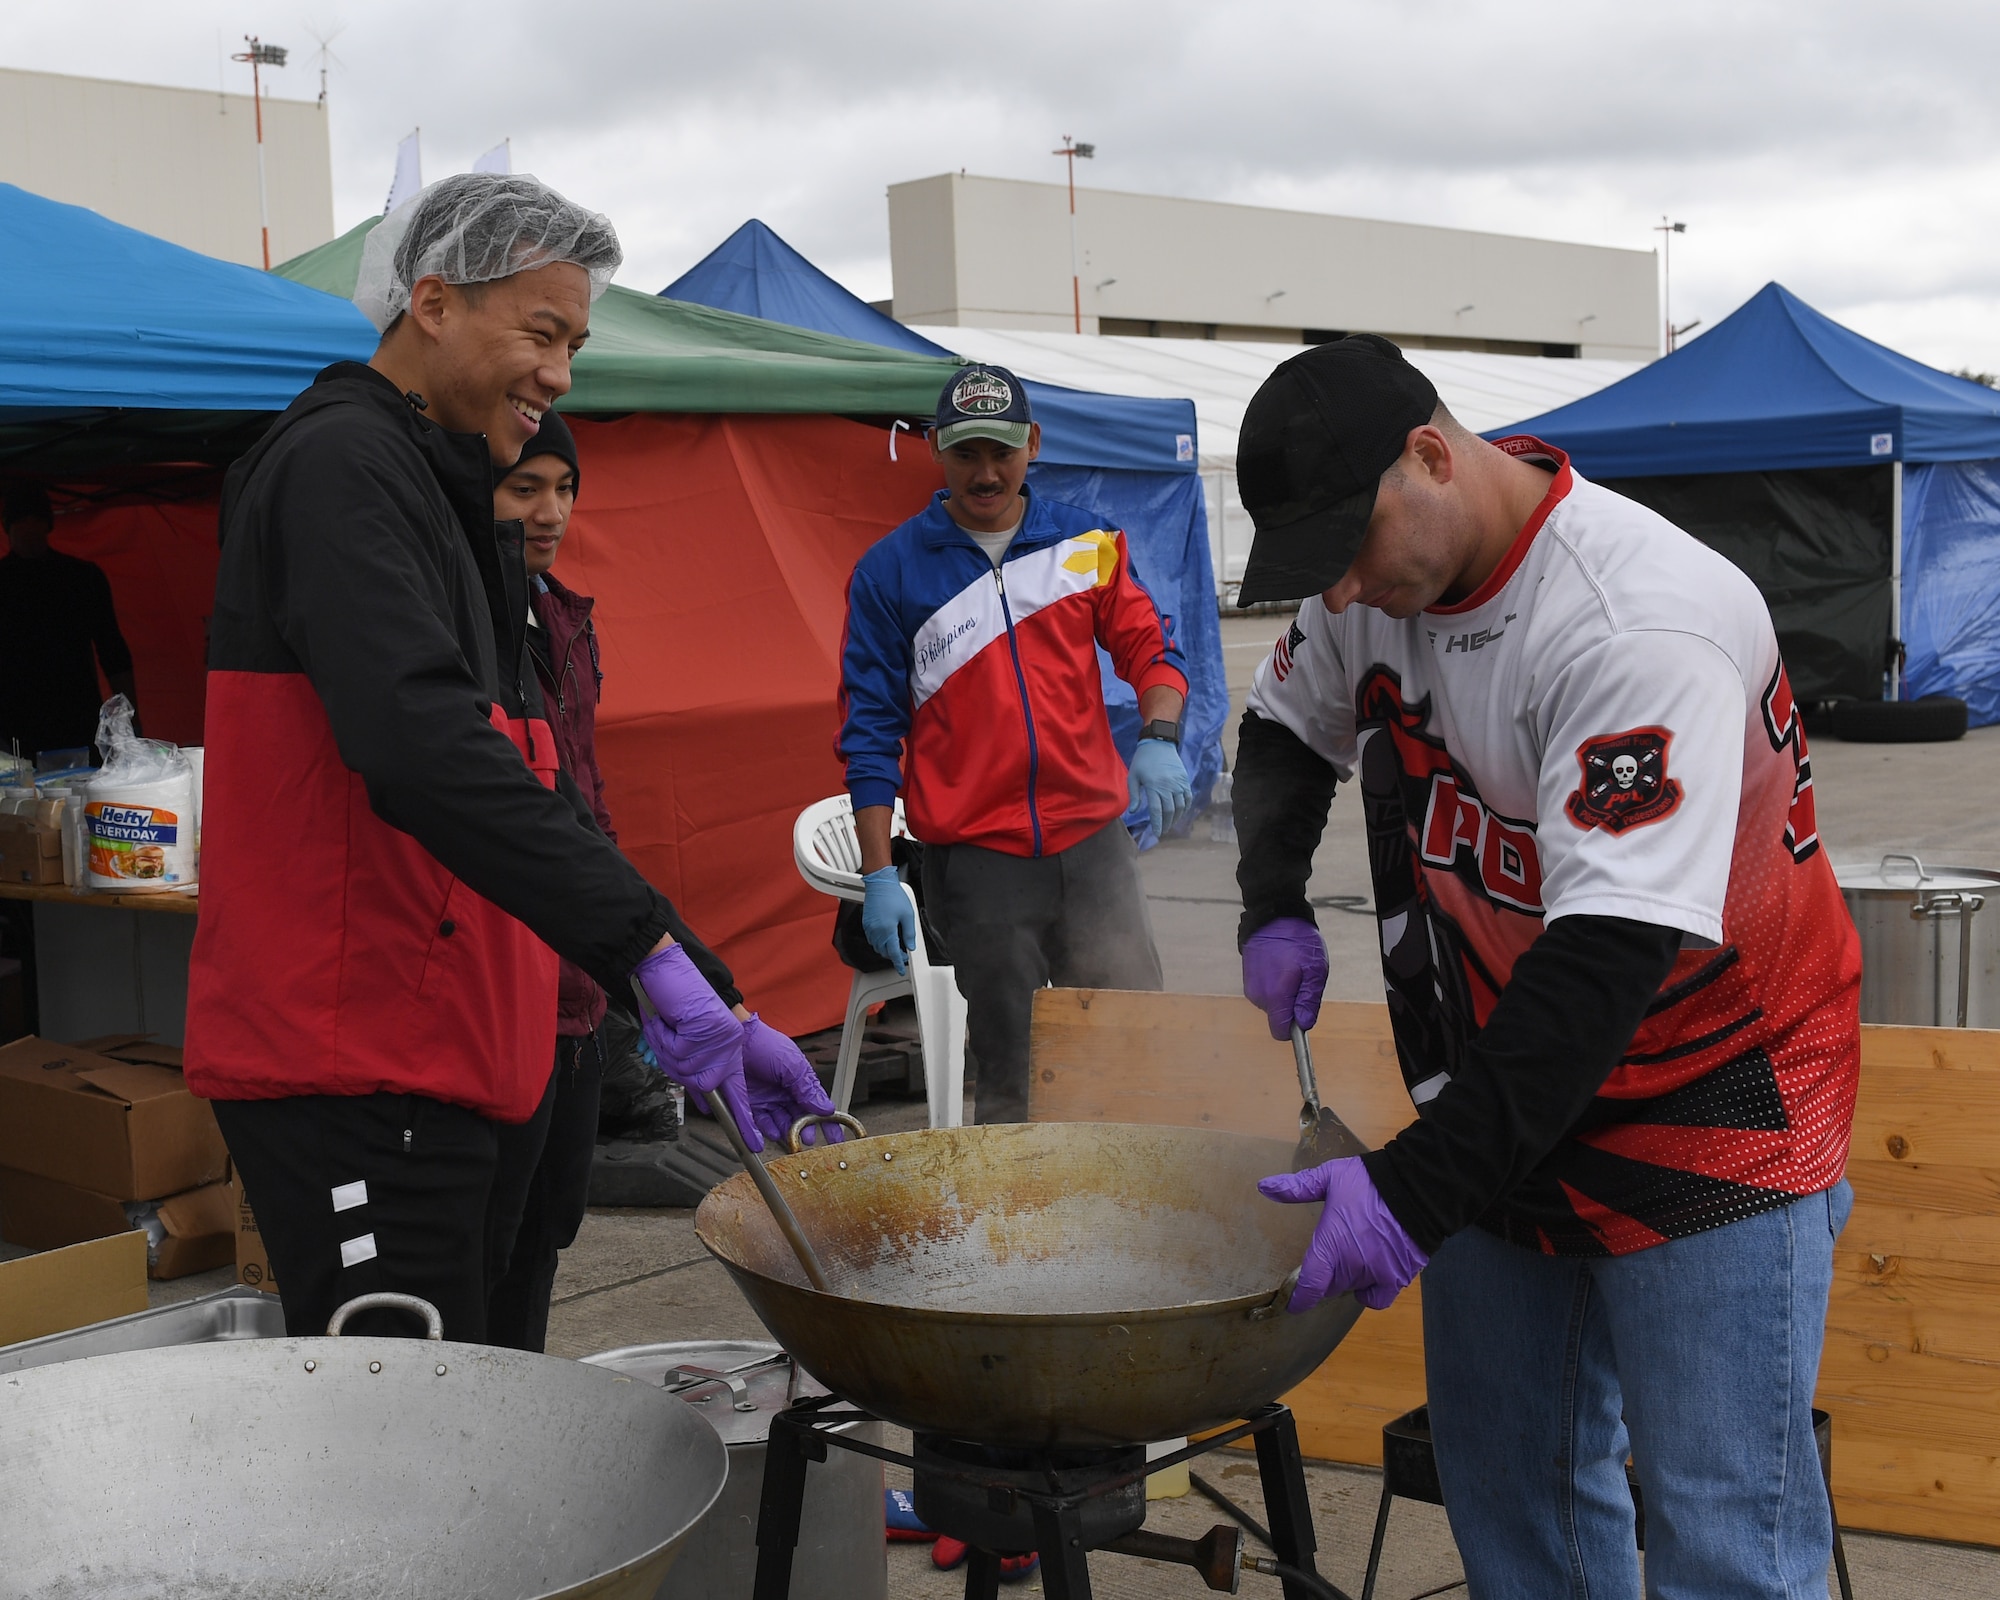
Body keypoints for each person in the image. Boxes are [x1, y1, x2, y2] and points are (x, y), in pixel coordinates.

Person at [1232, 336, 1860, 1598]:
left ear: (1430, 456)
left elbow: (1601, 973)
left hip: (1708, 1097)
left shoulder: (1633, 623)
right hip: (1506, 1080)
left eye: (1348, 553)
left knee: (1722, 1544)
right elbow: (1284, 732)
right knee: (1513, 1503)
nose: (1340, 595)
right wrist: (1268, 905)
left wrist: (1408, 1196)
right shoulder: (1372, 581)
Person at [184, 173, 833, 1343]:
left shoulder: (449, 490)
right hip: (352, 1068)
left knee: (486, 1419)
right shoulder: (340, 464)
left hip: (463, 1053)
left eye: (574, 342)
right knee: (402, 1455)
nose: (560, 374)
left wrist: (710, 986)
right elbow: (418, 744)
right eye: (541, 333)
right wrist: (639, 952)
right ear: (431, 302)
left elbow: (540, 783)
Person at [837, 365, 1192, 1124]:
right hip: (979, 867)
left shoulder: (1087, 545)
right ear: (937, 448)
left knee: (1140, 1049)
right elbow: (869, 734)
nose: (987, 473)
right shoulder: (889, 572)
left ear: (1032, 444)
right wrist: (877, 878)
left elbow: (1153, 652)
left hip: (1095, 848)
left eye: (1002, 450)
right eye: (966, 453)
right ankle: (1023, 1234)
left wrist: (1160, 737)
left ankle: (1143, 1219)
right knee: (1013, 1077)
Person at [0, 483, 139, 758]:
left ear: (47, 525)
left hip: (76, 717)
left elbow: (113, 652)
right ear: (8, 527)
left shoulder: (82, 578)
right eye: (21, 521)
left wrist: (132, 722)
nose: (29, 529)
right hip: (12, 726)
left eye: (35, 520)